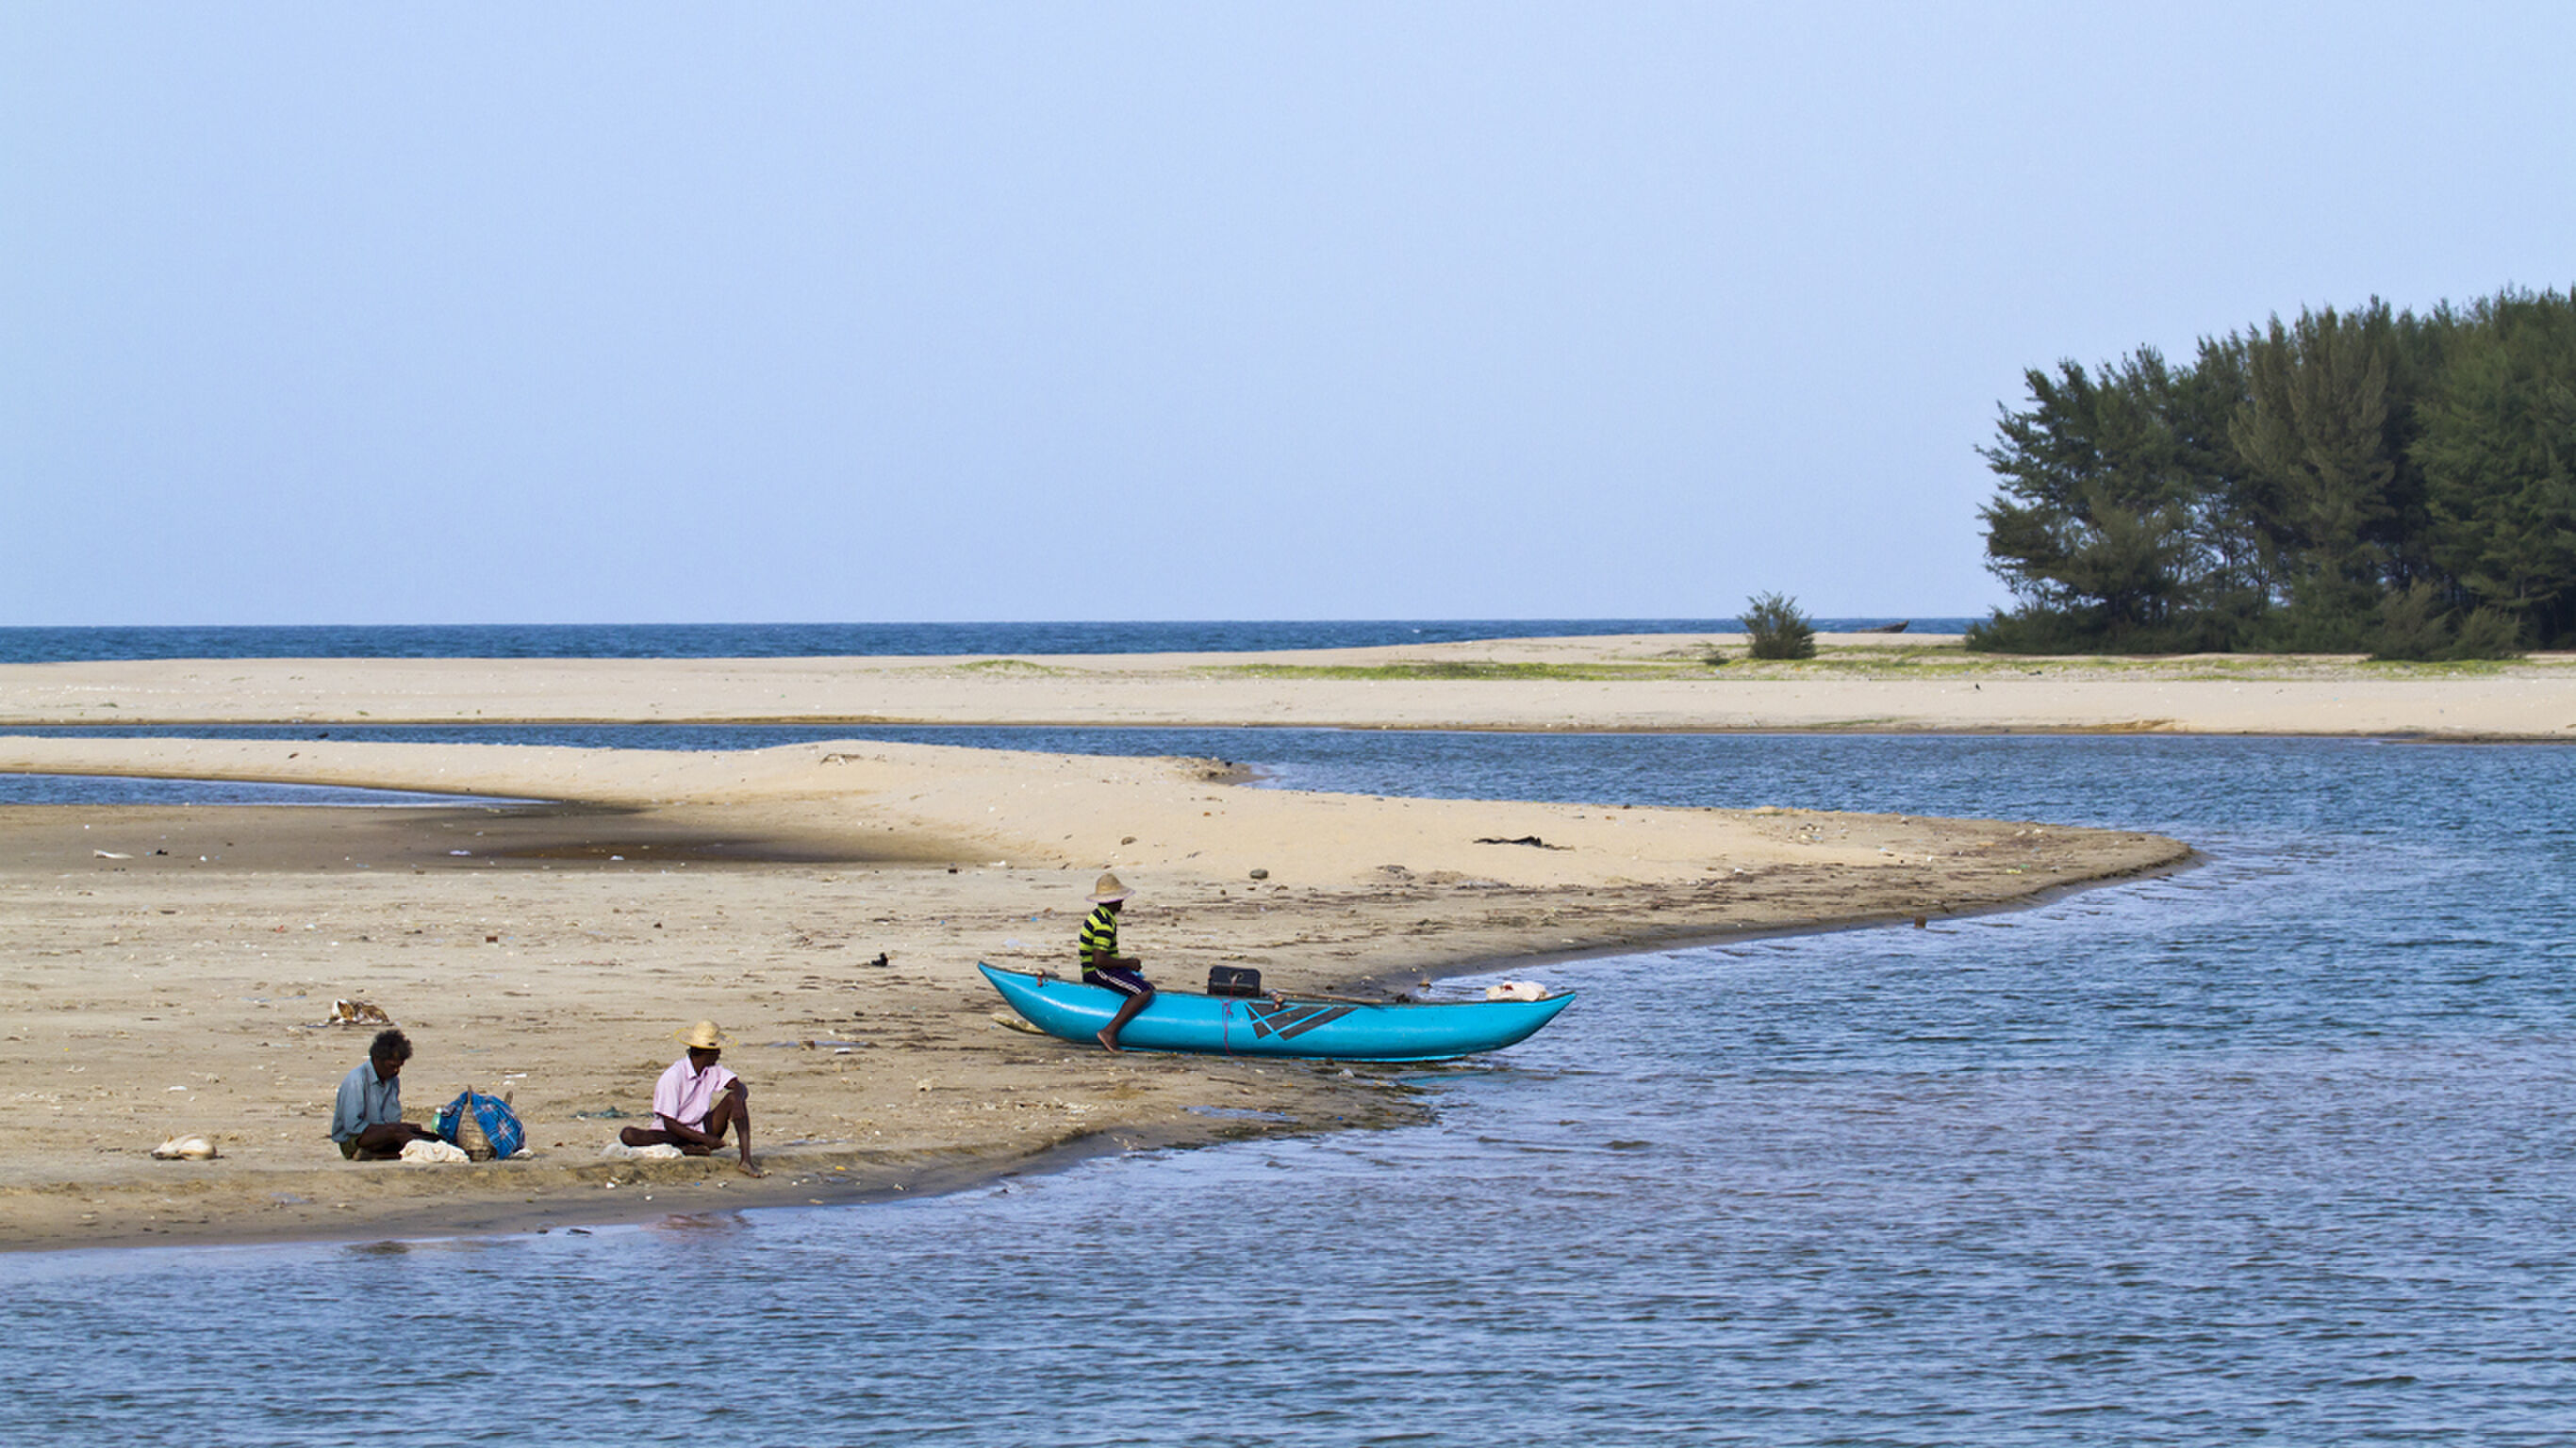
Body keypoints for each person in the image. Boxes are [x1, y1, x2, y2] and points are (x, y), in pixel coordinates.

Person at [621, 1021, 765, 1176]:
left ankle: (746, 1160)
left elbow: (739, 1086)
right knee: (628, 1135)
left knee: (734, 1099)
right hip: (673, 1132)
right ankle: (686, 1147)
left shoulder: (713, 1070)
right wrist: (704, 1139)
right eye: (716, 1050)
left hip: (701, 1127)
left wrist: (737, 1101)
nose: (719, 1054)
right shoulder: (673, 1076)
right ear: (707, 1052)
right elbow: (669, 1122)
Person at [330, 1028, 443, 1160]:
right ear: (377, 1060)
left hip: (381, 1133)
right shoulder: (356, 1080)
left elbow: (392, 1119)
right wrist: (392, 1129)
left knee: (413, 1130)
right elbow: (352, 1126)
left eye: (399, 1066)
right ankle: (423, 1150)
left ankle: (382, 1154)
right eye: (392, 1066)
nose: (396, 1071)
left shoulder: (392, 1080)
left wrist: (402, 1127)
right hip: (354, 1139)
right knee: (396, 1132)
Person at [1079, 872, 1153, 1052]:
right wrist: (1128, 963)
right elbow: (1099, 960)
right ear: (1111, 901)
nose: (1122, 903)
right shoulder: (1104, 923)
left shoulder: (1099, 916)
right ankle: (1109, 1031)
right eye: (1119, 899)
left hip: (1101, 969)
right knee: (1143, 992)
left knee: (1143, 985)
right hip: (1096, 971)